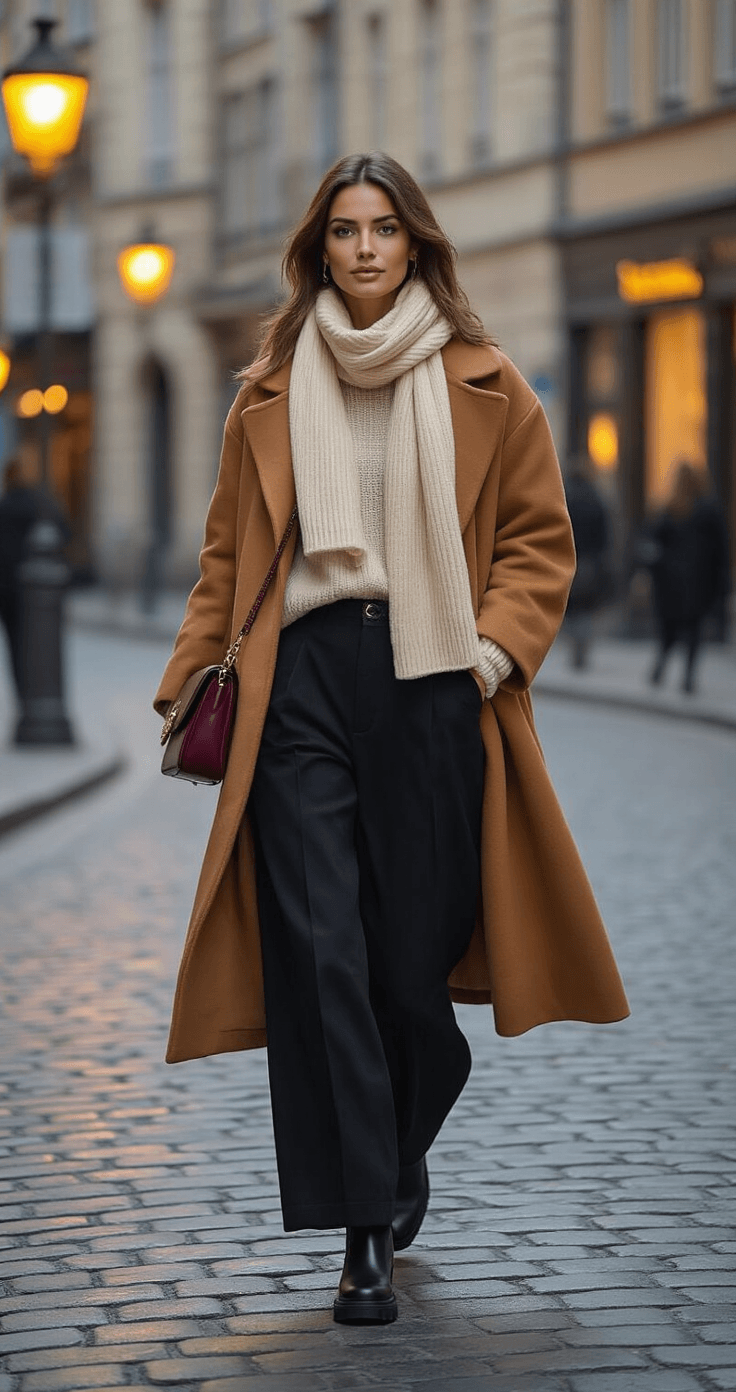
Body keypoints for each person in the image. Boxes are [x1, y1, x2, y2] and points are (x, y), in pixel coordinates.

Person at [154, 152, 629, 1326]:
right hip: (301, 683)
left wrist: (490, 653)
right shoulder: (266, 389)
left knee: (408, 973)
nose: (364, 248)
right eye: (343, 231)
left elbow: (537, 540)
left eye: (384, 230)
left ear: (416, 244)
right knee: (323, 957)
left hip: (433, 684)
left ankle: (414, 1105)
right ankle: (364, 1231)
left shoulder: (487, 381)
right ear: (318, 248)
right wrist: (186, 681)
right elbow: (227, 557)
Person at [644, 460, 730, 694]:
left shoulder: (669, 509)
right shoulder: (708, 510)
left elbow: (652, 545)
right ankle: (688, 678)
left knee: (668, 630)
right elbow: (721, 550)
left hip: (671, 583)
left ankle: (660, 668)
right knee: (693, 631)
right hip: (697, 584)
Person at [0, 458, 69, 703]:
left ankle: (24, 698)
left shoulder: (5, 507)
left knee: (16, 649)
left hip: (9, 590)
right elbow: (64, 534)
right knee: (42, 648)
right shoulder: (41, 506)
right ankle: (41, 700)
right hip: (45, 591)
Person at [563, 454, 613, 670]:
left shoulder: (565, 498)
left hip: (569, 559)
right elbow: (605, 535)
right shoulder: (597, 499)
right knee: (586, 607)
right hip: (591, 562)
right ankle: (582, 648)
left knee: (572, 607)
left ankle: (576, 648)